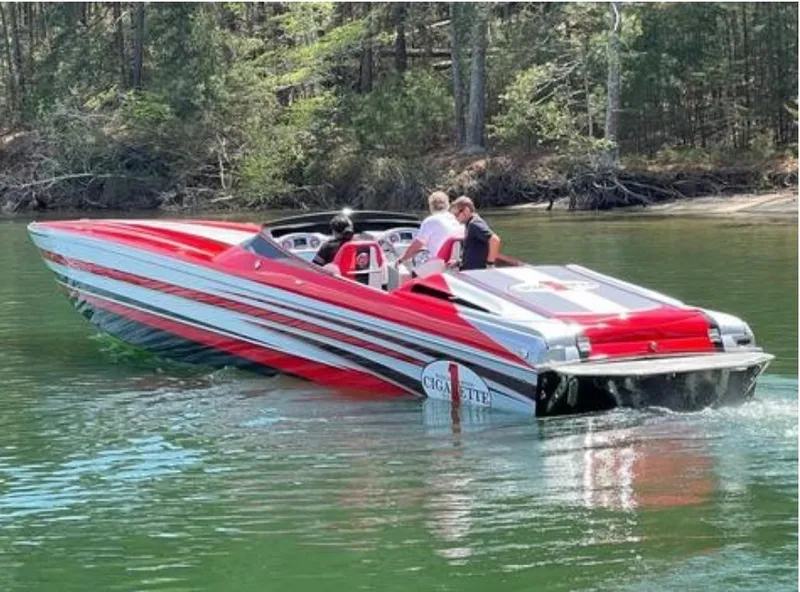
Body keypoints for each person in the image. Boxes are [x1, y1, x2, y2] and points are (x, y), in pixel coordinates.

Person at [395, 191, 463, 276]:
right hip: (455, 265)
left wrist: (401, 259)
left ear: (431, 206)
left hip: (439, 265)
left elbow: (416, 246)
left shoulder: (431, 221)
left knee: (412, 275)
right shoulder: (455, 220)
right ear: (447, 205)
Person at [450, 196, 501, 270]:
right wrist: (459, 262)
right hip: (468, 271)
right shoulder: (469, 224)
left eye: (456, 214)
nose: (455, 218)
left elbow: (495, 240)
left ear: (466, 210)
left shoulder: (475, 224)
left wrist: (490, 264)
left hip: (476, 273)